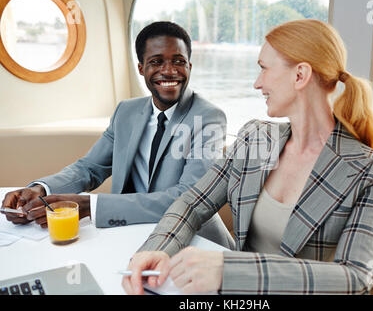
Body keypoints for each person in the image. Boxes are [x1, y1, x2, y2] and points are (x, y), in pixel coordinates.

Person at [122, 19, 373, 295]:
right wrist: (154, 250)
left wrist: (228, 270)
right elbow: (192, 205)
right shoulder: (255, 137)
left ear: (300, 75)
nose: (257, 83)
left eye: (264, 69)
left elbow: (357, 276)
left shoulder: (372, 171)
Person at [1, 21, 234, 249]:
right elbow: (89, 168)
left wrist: (92, 206)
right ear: (141, 68)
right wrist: (41, 190)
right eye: (156, 61)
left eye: (178, 61)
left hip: (193, 243)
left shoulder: (208, 118)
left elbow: (189, 196)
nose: (169, 70)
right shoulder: (126, 111)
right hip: (131, 235)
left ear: (189, 67)